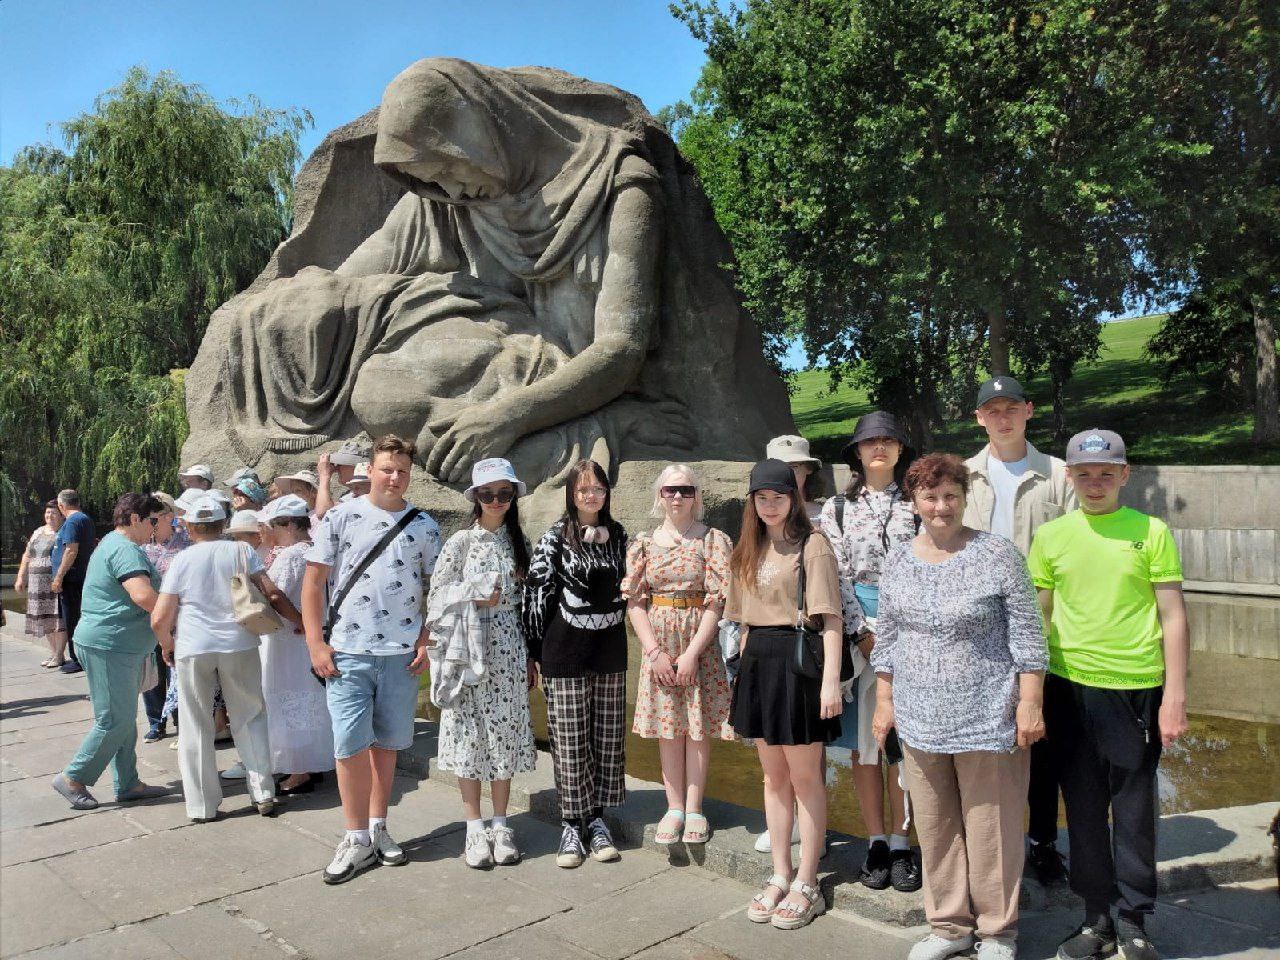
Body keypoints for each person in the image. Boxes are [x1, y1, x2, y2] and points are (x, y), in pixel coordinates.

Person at [871, 453, 1047, 960]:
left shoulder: (997, 555)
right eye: (930, 496)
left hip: (988, 714)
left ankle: (997, 931)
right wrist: (885, 701)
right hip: (920, 716)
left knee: (991, 828)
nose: (941, 506)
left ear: (964, 498)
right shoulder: (899, 558)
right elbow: (890, 638)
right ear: (915, 502)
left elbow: (1029, 637)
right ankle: (948, 927)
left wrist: (1029, 702)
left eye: (951, 495)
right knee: (935, 825)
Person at [1029, 430, 1189, 960]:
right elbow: (1038, 617)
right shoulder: (1051, 537)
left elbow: (1173, 616)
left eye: (1105, 473)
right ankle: (1097, 919)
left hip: (1136, 688)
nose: (1094, 484)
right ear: (1069, 478)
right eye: (1083, 474)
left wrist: (1175, 697)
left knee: (1136, 810)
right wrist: (1027, 693)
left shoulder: (1152, 531)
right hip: (1068, 688)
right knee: (1082, 808)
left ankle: (1135, 920)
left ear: (1124, 474)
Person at [302, 434, 441, 884]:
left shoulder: (424, 525)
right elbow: (313, 582)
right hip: (348, 652)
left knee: (387, 746)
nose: (395, 477)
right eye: (387, 468)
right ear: (371, 469)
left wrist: (426, 636)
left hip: (401, 655)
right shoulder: (342, 516)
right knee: (349, 746)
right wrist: (314, 643)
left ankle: (378, 827)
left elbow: (435, 590)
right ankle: (355, 835)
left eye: (402, 470)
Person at [963, 375, 1077, 885]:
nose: (1002, 417)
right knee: (982, 738)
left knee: (1043, 737)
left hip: (1043, 622)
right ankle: (983, 842)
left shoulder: (1059, 474)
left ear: (1028, 411)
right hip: (977, 629)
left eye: (1011, 408)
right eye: (992, 410)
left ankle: (1043, 841)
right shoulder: (963, 476)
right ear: (979, 418)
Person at [728, 459, 842, 931]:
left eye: (778, 495)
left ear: (792, 497)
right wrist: (738, 681)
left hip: (799, 662)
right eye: (761, 496)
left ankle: (808, 882)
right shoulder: (748, 548)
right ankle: (780, 871)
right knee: (773, 779)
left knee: (805, 777)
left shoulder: (811, 545)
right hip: (757, 664)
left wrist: (831, 681)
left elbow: (830, 618)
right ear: (752, 501)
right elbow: (740, 622)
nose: (770, 503)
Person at [151, 495, 301, 822]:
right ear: (222, 525)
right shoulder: (242, 551)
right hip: (239, 642)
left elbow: (160, 617)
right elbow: (272, 594)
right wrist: (300, 620)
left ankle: (202, 805)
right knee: (250, 716)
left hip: (193, 645)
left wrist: (167, 645)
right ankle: (263, 791)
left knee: (195, 725)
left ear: (189, 526)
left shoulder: (182, 559)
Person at [821, 411, 918, 892]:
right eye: (869, 442)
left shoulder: (919, 505)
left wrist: (899, 634)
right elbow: (834, 575)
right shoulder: (835, 509)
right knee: (865, 745)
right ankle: (875, 838)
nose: (879, 448)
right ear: (857, 453)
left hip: (912, 631)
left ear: (900, 450)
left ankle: (903, 843)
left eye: (888, 440)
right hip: (858, 631)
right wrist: (861, 632)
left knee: (903, 743)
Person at [426, 458, 537, 868]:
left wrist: (531, 657)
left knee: (504, 733)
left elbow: (529, 605)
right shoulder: (460, 542)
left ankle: (501, 822)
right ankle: (474, 826)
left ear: (512, 497)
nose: (496, 501)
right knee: (468, 734)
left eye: (503, 494)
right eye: (488, 494)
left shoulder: (518, 540)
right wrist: (474, 592)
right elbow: (436, 596)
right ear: (476, 498)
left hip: (508, 648)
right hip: (468, 652)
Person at [522, 459, 628, 869]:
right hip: (563, 650)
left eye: (597, 489)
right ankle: (571, 821)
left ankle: (598, 818)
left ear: (606, 493)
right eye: (583, 489)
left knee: (606, 736)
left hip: (609, 649)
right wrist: (534, 651)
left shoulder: (619, 536)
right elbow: (536, 598)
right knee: (568, 739)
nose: (590, 496)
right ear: (571, 493)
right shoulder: (553, 539)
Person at [624, 464, 734, 846]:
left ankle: (694, 808)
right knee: (668, 727)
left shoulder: (713, 540)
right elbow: (635, 602)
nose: (677, 497)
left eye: (685, 490)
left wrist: (691, 654)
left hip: (698, 643)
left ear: (696, 496)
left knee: (698, 726)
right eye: (670, 490)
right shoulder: (642, 543)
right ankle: (673, 807)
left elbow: (717, 602)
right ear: (659, 495)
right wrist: (652, 652)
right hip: (658, 642)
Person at [51, 494, 170, 810]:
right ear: (135, 519)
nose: (155, 528)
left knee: (123, 717)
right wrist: (177, 620)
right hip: (110, 646)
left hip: (115, 645)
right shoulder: (125, 550)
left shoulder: (115, 546)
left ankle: (128, 783)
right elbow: (143, 596)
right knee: (114, 720)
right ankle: (72, 778)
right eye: (153, 521)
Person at [259, 495, 334, 794]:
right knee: (310, 699)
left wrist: (300, 620)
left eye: (275, 525)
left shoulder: (291, 556)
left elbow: (276, 595)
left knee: (289, 697)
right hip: (314, 633)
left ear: (289, 524)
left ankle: (299, 768)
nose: (271, 531)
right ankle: (312, 760)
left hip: (290, 638)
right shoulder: (318, 550)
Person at [140, 492, 182, 743]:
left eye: (156, 517)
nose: (153, 523)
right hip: (149, 616)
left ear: (169, 516)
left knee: (175, 669)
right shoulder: (142, 544)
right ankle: (156, 722)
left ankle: (180, 718)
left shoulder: (185, 541)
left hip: (178, 618)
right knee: (153, 670)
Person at [16, 500, 68, 668]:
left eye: (53, 513)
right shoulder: (38, 531)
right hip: (36, 584)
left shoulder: (63, 532)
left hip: (53, 583)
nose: (49, 516)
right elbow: (27, 555)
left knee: (57, 619)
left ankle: (60, 655)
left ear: (61, 515)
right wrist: (20, 576)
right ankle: (53, 653)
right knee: (44, 619)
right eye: (47, 513)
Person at [50, 489, 96, 674]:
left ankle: (77, 658)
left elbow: (70, 550)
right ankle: (79, 656)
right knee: (76, 617)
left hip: (72, 579)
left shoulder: (72, 522)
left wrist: (59, 576)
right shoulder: (85, 519)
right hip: (79, 578)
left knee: (72, 618)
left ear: (61, 506)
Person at [766, 435, 825, 521]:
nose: (785, 474)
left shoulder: (823, 515)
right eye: (777, 467)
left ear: (809, 468)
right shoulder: (762, 515)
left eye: (793, 467)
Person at [316, 438, 371, 518]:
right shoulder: (350, 494)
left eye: (340, 464)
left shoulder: (367, 491)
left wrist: (324, 476)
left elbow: (325, 514)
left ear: (355, 466)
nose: (336, 468)